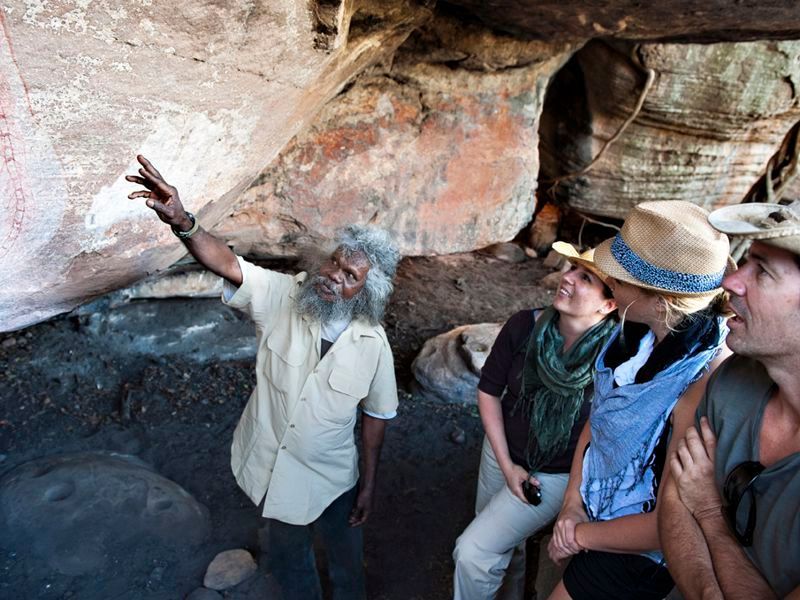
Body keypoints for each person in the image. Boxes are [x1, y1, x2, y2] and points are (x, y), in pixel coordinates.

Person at [126, 155, 400, 600]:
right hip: (277, 470)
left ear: (364, 292)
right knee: (291, 564)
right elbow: (226, 262)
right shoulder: (284, 297)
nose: (333, 276)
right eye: (334, 263)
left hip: (334, 478)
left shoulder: (374, 345)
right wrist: (184, 222)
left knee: (347, 563)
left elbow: (376, 418)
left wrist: (368, 484)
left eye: (350, 276)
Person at [545, 200, 733, 600]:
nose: (610, 281)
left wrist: (576, 534)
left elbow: (667, 522)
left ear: (661, 301)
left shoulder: (700, 384)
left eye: (620, 276)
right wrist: (572, 503)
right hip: (598, 515)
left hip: (641, 554)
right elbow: (598, 425)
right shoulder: (638, 338)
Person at [452, 242, 618, 600]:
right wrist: (508, 465)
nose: (568, 277)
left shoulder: (617, 357)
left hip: (558, 475)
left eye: (584, 277)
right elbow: (489, 392)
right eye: (571, 268)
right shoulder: (523, 326)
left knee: (473, 551)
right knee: (500, 541)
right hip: (500, 455)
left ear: (609, 304)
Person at [661, 202, 800, 599]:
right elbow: (675, 497)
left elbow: (692, 500)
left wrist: (708, 513)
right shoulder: (736, 376)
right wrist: (706, 591)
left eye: (763, 271)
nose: (732, 282)